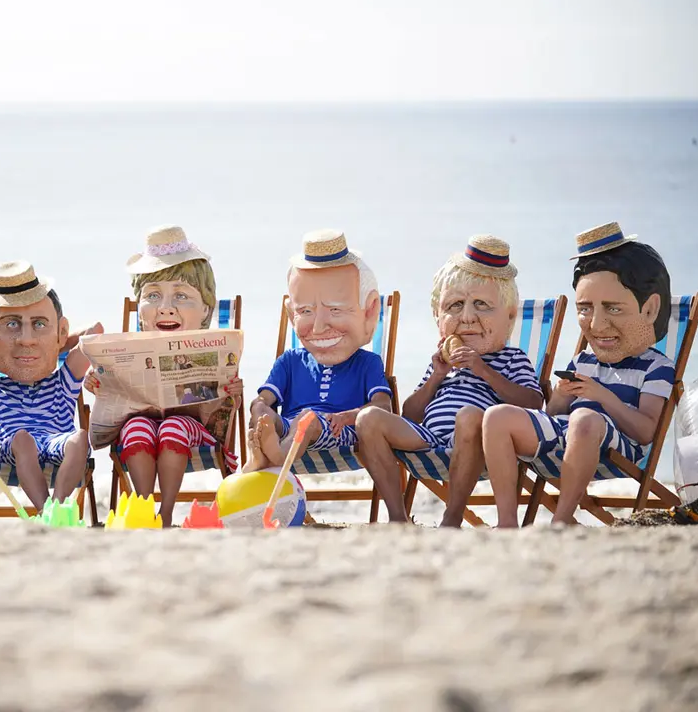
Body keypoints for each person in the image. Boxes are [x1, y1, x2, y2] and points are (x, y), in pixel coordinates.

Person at [482, 223, 675, 526]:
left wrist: (602, 397)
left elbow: (645, 432)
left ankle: (561, 520)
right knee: (496, 416)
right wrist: (560, 396)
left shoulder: (657, 367)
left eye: (613, 309)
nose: (596, 326)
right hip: (568, 435)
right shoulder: (583, 360)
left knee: (585, 418)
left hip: (619, 448)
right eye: (584, 309)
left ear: (650, 310)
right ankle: (507, 523)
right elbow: (553, 415)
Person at [354, 235, 544, 524]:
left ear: (510, 316)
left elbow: (534, 402)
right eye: (454, 306)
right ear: (437, 316)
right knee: (368, 418)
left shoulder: (511, 358)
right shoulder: (442, 362)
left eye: (481, 304)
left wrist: (484, 372)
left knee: (469, 416)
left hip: (478, 444)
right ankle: (397, 518)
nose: (466, 317)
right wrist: (436, 378)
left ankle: (452, 517)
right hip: (429, 440)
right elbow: (411, 414)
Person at [85, 225, 242, 526]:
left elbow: (226, 410)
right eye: (153, 296)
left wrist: (232, 391)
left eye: (182, 296)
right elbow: (110, 391)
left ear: (207, 310)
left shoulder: (214, 347)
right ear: (139, 308)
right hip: (139, 424)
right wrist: (95, 382)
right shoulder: (126, 349)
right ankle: (144, 509)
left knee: (172, 427)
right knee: (138, 429)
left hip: (191, 427)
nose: (166, 309)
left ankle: (166, 513)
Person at [0, 261, 101, 509]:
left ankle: (57, 508)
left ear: (61, 331)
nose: (26, 339)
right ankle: (44, 508)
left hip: (55, 441)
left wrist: (56, 343)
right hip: (10, 446)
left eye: (39, 324)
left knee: (80, 438)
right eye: (11, 324)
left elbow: (95, 332)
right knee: (23, 440)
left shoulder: (62, 381)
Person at [246, 230, 391, 473]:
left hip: (339, 430)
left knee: (308, 419)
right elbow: (264, 399)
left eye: (335, 310)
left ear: (369, 312)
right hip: (289, 426)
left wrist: (349, 416)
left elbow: (383, 407)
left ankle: (276, 458)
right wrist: (260, 409)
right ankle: (262, 454)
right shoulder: (290, 361)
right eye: (305, 312)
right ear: (292, 315)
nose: (318, 327)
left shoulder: (368, 362)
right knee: (267, 420)